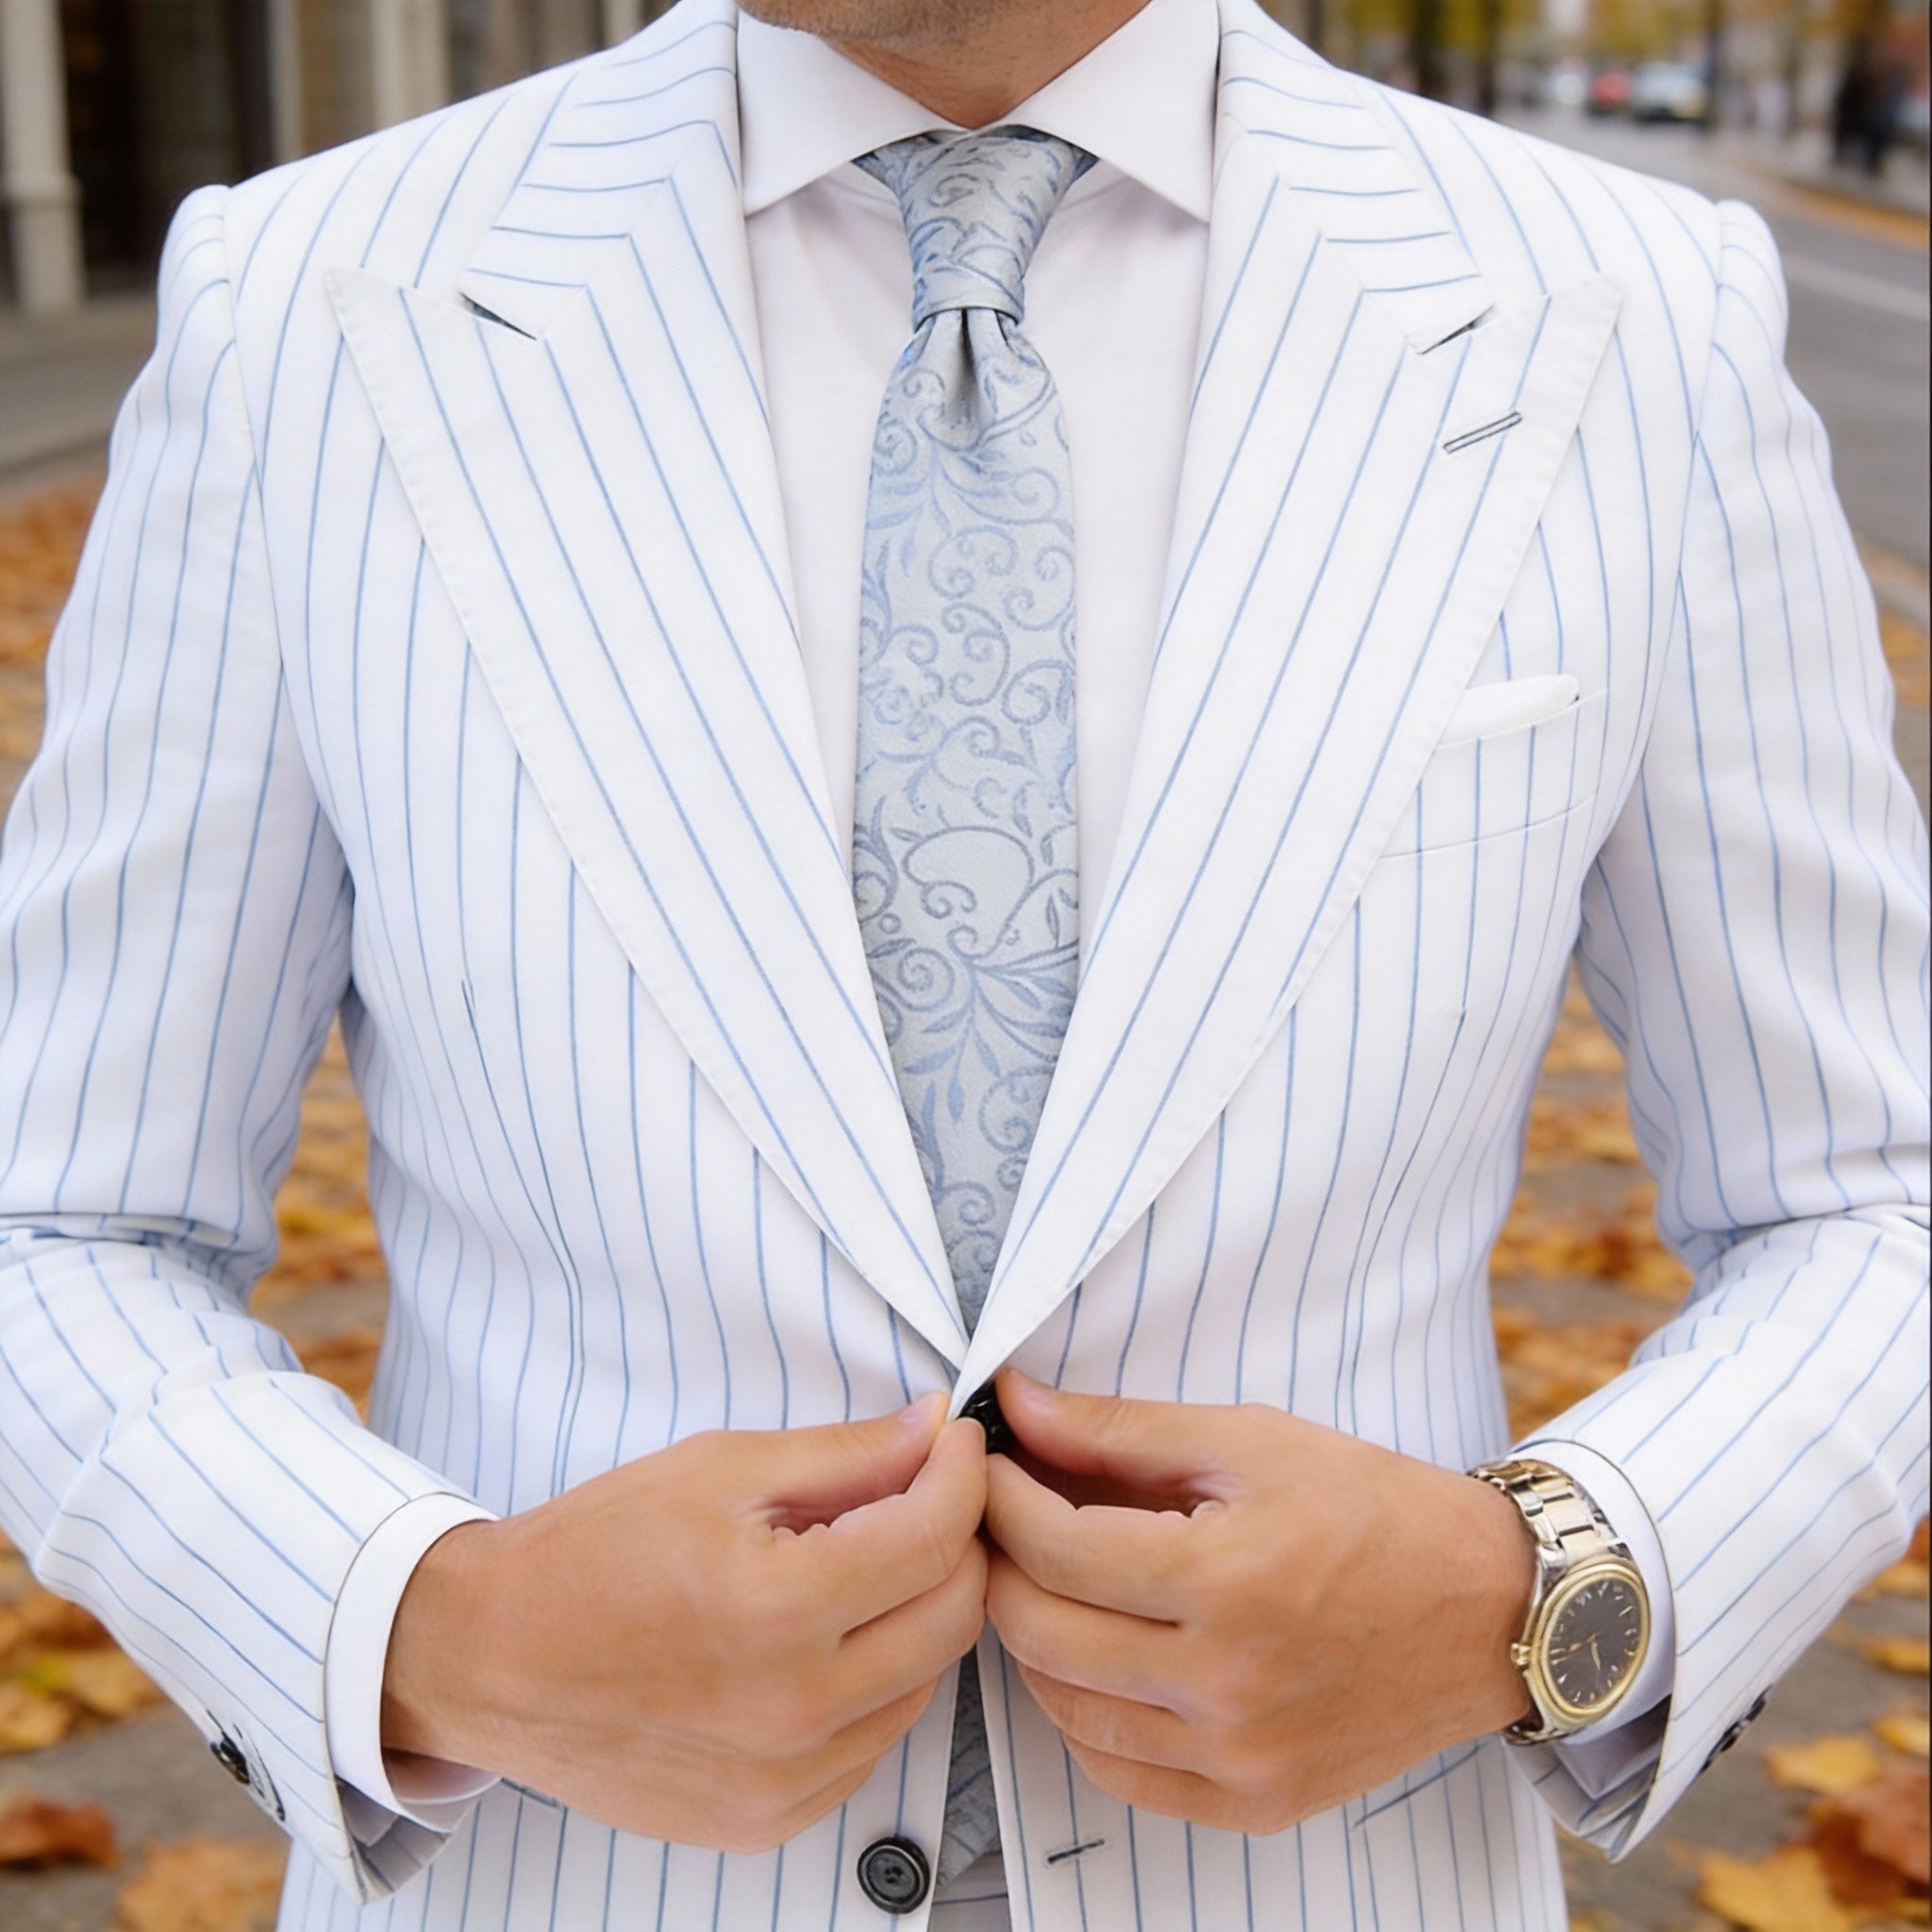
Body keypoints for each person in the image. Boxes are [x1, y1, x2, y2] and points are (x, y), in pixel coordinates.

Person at [0, 0, 1924, 1925]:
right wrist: (425, 1629)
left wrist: (1548, 1591)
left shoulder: (1631, 314)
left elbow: (1870, 1196)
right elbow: (58, 1217)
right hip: (561, 1876)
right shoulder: (311, 306)